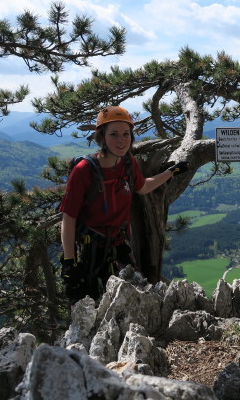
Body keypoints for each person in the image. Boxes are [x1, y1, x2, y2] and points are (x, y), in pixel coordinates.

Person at [59, 105, 189, 305]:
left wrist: (171, 172)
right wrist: (69, 261)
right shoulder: (84, 170)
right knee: (91, 304)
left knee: (133, 299)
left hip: (119, 246)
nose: (121, 140)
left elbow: (143, 186)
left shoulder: (127, 162)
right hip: (90, 251)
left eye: (126, 134)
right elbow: (69, 217)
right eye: (114, 134)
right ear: (101, 137)